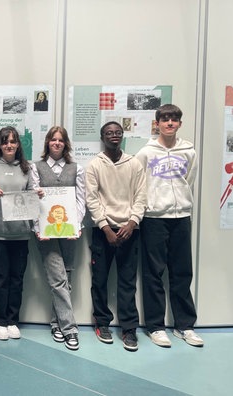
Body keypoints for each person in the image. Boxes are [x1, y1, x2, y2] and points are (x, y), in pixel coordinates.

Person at [135, 104, 203, 348]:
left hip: (181, 216)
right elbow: (140, 183)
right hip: (154, 218)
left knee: (182, 272)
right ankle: (155, 326)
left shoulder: (189, 151)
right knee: (153, 273)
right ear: (158, 124)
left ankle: (184, 326)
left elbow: (189, 181)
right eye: (165, 119)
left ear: (179, 124)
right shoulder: (146, 152)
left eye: (174, 119)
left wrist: (182, 203)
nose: (170, 123)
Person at [85, 121, 147, 352]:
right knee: (99, 281)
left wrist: (132, 222)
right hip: (104, 233)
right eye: (109, 133)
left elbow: (141, 196)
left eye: (117, 132)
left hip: (130, 230)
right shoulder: (94, 165)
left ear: (122, 136)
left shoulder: (134, 164)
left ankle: (129, 328)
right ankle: (102, 323)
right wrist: (106, 228)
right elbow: (92, 199)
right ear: (102, 137)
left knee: (127, 283)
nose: (114, 135)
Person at [31, 126, 86, 351]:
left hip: (70, 230)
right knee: (58, 278)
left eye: (60, 140)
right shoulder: (36, 168)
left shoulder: (77, 168)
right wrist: (37, 227)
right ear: (47, 143)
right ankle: (70, 328)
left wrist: (77, 224)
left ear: (65, 144)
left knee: (67, 276)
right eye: (53, 140)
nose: (56, 143)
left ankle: (56, 324)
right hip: (46, 233)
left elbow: (81, 200)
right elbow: (34, 199)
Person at [0, 126, 39, 341]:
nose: (9, 145)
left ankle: (12, 320)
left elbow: (33, 195)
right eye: (5, 141)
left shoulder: (26, 168)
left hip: (20, 233)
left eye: (13, 141)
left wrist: (36, 195)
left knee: (16, 279)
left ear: (18, 145)